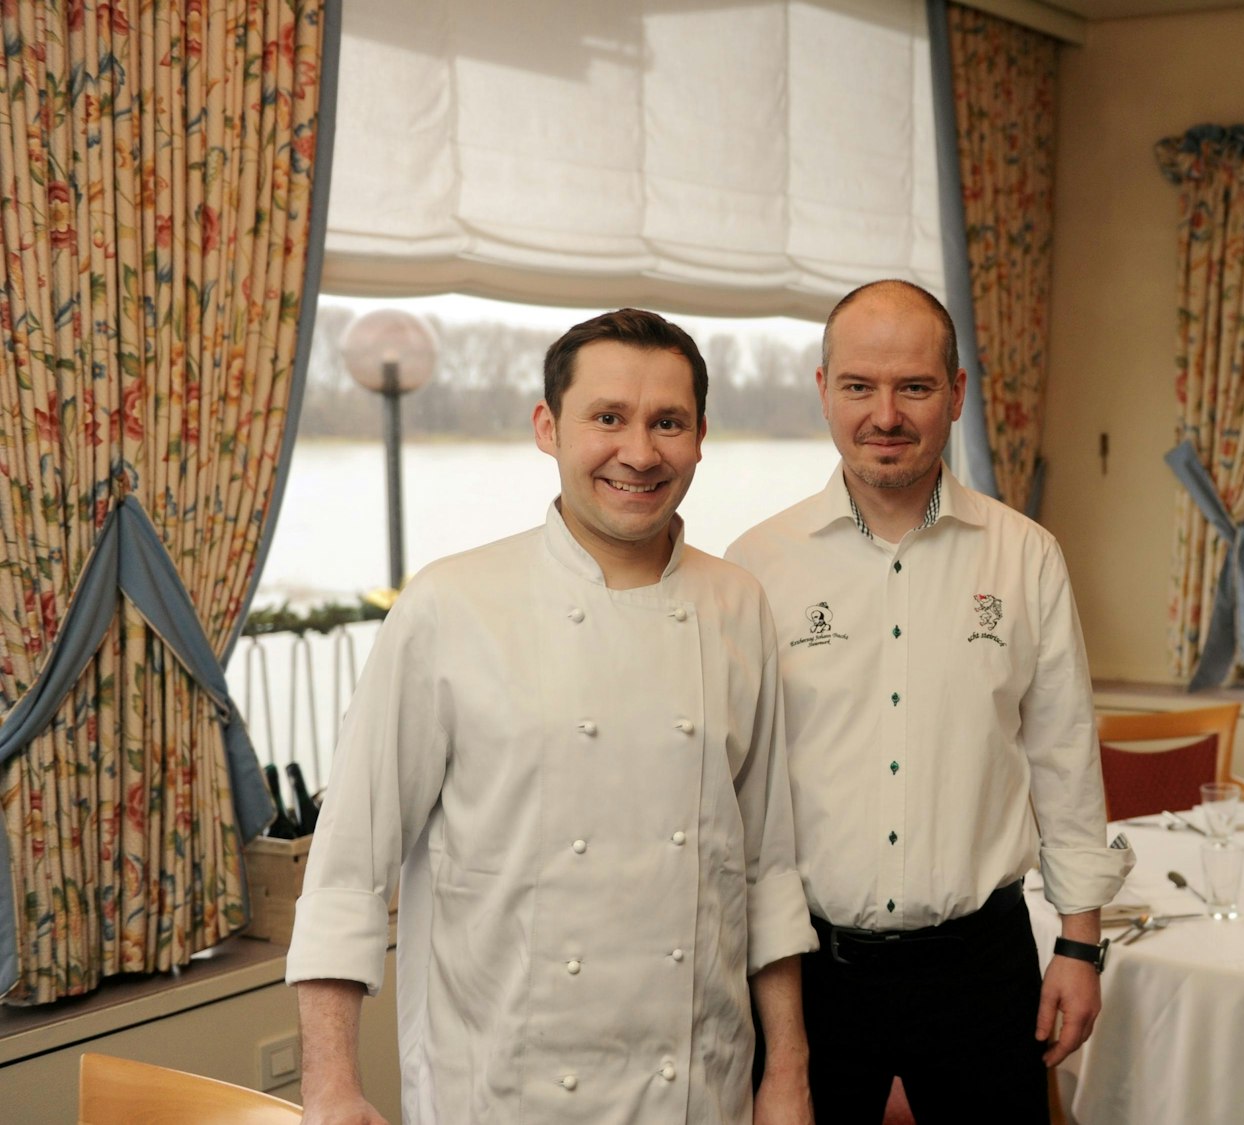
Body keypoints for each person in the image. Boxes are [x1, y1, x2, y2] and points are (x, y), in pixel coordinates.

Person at [286, 310, 816, 1125]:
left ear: (700, 436)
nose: (639, 452)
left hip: (699, 1089)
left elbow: (767, 867)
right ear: (548, 427)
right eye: (608, 417)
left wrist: (788, 1072)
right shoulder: (450, 605)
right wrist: (329, 1086)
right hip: (503, 1090)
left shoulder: (736, 603)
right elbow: (349, 866)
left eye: (666, 422)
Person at [727, 280, 1132, 1123]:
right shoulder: (758, 565)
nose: (885, 414)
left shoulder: (1025, 557)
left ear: (956, 394)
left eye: (913, 387)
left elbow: (1063, 756)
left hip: (984, 967)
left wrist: (1080, 943)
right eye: (859, 387)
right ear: (823, 390)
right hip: (812, 971)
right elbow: (737, 792)